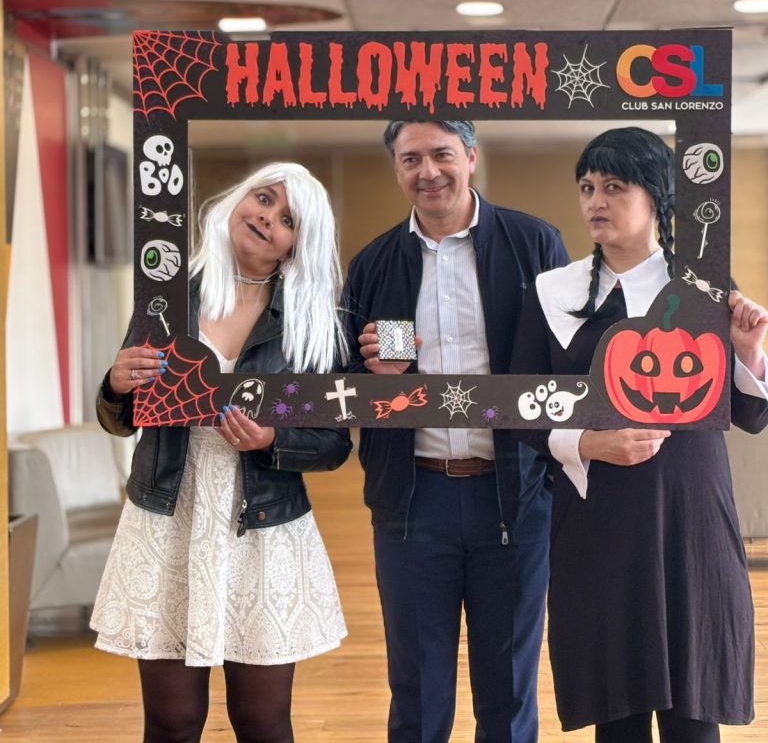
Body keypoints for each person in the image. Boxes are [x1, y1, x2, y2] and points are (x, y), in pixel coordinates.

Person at [509, 127, 768, 743]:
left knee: (694, 714)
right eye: (587, 188)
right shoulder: (552, 291)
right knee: (616, 712)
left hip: (691, 516)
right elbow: (519, 407)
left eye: (614, 187)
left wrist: (749, 350)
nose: (596, 201)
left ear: (656, 196)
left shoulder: (704, 288)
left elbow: (752, 413)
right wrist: (585, 442)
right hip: (599, 516)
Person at [91, 162, 351, 743]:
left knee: (262, 722)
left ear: (296, 246)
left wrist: (272, 440)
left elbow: (334, 443)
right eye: (264, 198)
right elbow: (120, 418)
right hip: (168, 516)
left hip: (263, 524)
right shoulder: (166, 299)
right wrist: (115, 383)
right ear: (239, 198)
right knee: (172, 721)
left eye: (288, 219)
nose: (267, 218)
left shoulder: (309, 323)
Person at [342, 119, 569, 743]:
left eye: (441, 154)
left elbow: (568, 364)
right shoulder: (375, 264)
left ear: (470, 156)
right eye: (410, 159)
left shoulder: (534, 243)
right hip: (413, 501)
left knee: (509, 689)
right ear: (397, 169)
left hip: (516, 496)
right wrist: (380, 379)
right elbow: (344, 386)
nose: (428, 172)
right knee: (416, 692)